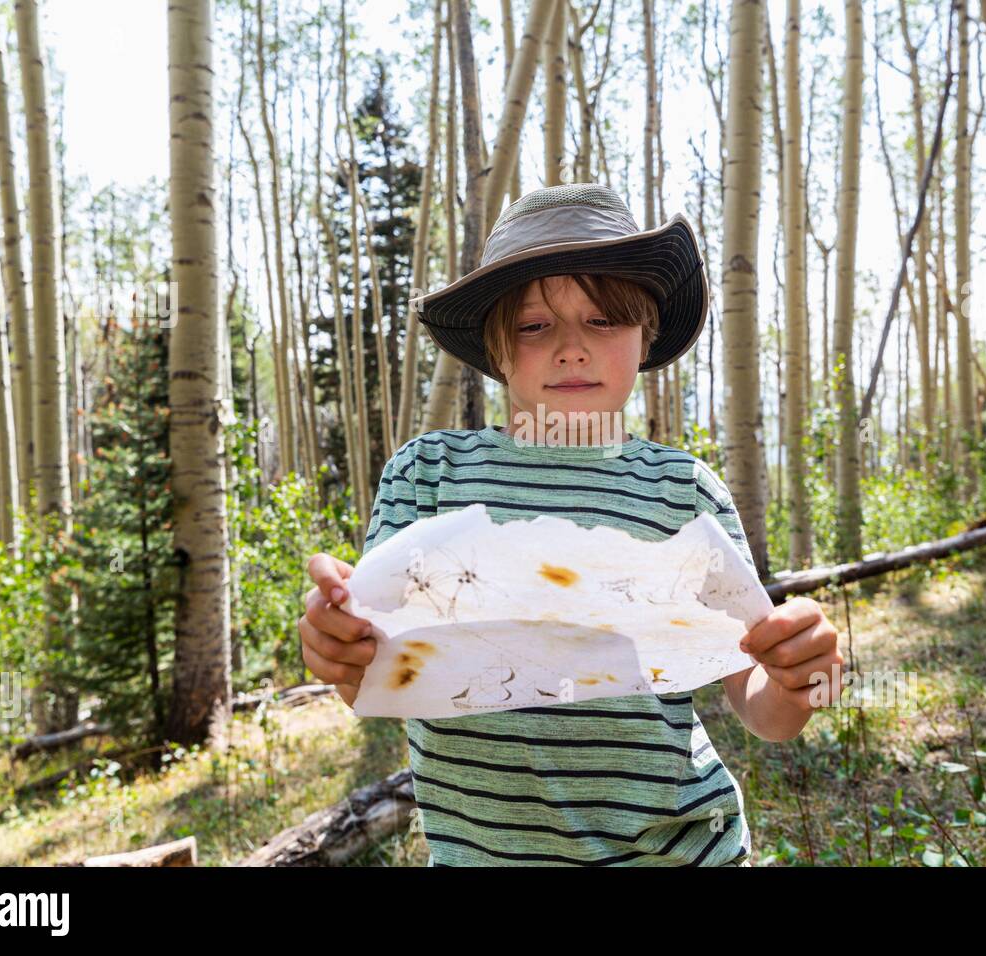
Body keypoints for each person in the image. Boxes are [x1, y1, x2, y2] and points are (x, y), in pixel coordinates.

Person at [299, 182, 842, 866]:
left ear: (646, 336)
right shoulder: (427, 475)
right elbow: (372, 674)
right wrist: (334, 642)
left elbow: (760, 707)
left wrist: (803, 681)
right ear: (495, 348)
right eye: (534, 325)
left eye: (604, 320)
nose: (571, 348)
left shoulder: (683, 492)